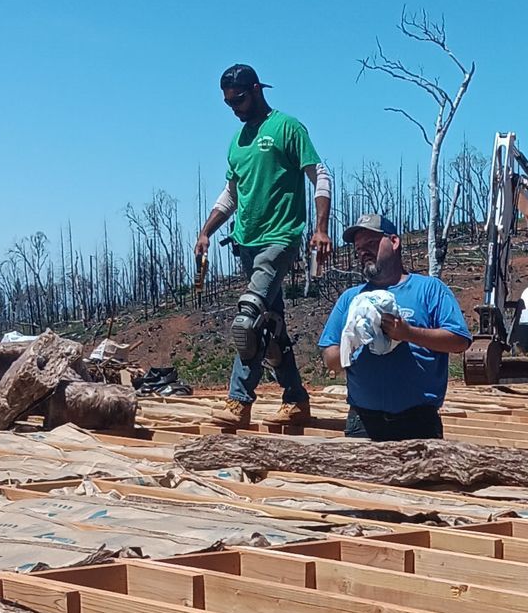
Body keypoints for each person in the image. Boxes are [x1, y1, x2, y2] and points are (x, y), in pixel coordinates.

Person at [193, 64, 333, 423]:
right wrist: (206, 231)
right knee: (271, 326)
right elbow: (231, 195)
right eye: (228, 103)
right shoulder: (237, 142)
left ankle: (238, 401)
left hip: (281, 237)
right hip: (247, 243)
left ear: (256, 89)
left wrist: (320, 227)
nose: (234, 108)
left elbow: (320, 175)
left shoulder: (287, 127)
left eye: (239, 99)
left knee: (247, 321)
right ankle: (296, 400)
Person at [319, 212, 470, 439]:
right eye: (359, 249)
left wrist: (408, 333)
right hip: (363, 423)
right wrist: (351, 343)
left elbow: (459, 341)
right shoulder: (351, 299)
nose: (364, 253)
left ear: (394, 241)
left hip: (418, 424)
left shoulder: (429, 289)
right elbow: (329, 357)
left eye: (371, 244)